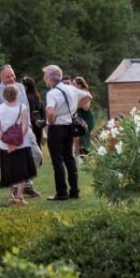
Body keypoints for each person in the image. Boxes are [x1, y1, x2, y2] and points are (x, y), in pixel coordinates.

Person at [0, 65, 40, 199]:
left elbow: (26, 108)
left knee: (36, 154)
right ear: (1, 77)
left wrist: (28, 128)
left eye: (13, 75)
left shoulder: (19, 88)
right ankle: (16, 190)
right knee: (12, 163)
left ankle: (26, 183)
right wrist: (1, 137)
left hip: (25, 131)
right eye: (8, 76)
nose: (11, 78)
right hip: (7, 135)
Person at [43, 64, 90, 201]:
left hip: (57, 127)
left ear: (51, 78)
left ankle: (62, 192)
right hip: (69, 126)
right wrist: (74, 108)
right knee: (69, 159)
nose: (44, 79)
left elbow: (50, 111)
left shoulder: (52, 93)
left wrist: (50, 121)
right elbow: (88, 96)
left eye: (45, 76)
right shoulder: (71, 89)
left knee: (57, 161)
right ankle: (74, 190)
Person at [0, 84, 36, 207]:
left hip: (4, 145)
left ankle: (10, 195)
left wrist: (5, 140)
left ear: (4, 95)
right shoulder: (22, 108)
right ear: (17, 94)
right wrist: (16, 142)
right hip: (21, 144)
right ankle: (19, 196)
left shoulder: (0, 108)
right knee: (21, 171)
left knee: (9, 169)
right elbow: (24, 127)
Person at [73, 77, 95, 156]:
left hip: (86, 119)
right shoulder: (75, 94)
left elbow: (86, 107)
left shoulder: (85, 93)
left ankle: (88, 157)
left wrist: (76, 105)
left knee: (84, 140)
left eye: (74, 84)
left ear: (79, 85)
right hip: (78, 119)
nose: (73, 85)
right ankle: (81, 158)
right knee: (78, 140)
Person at [22, 76, 45, 148]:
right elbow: (42, 111)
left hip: (31, 123)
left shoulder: (26, 98)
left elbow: (27, 112)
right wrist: (42, 121)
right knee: (38, 144)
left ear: (26, 87)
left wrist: (34, 120)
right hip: (39, 123)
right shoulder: (37, 96)